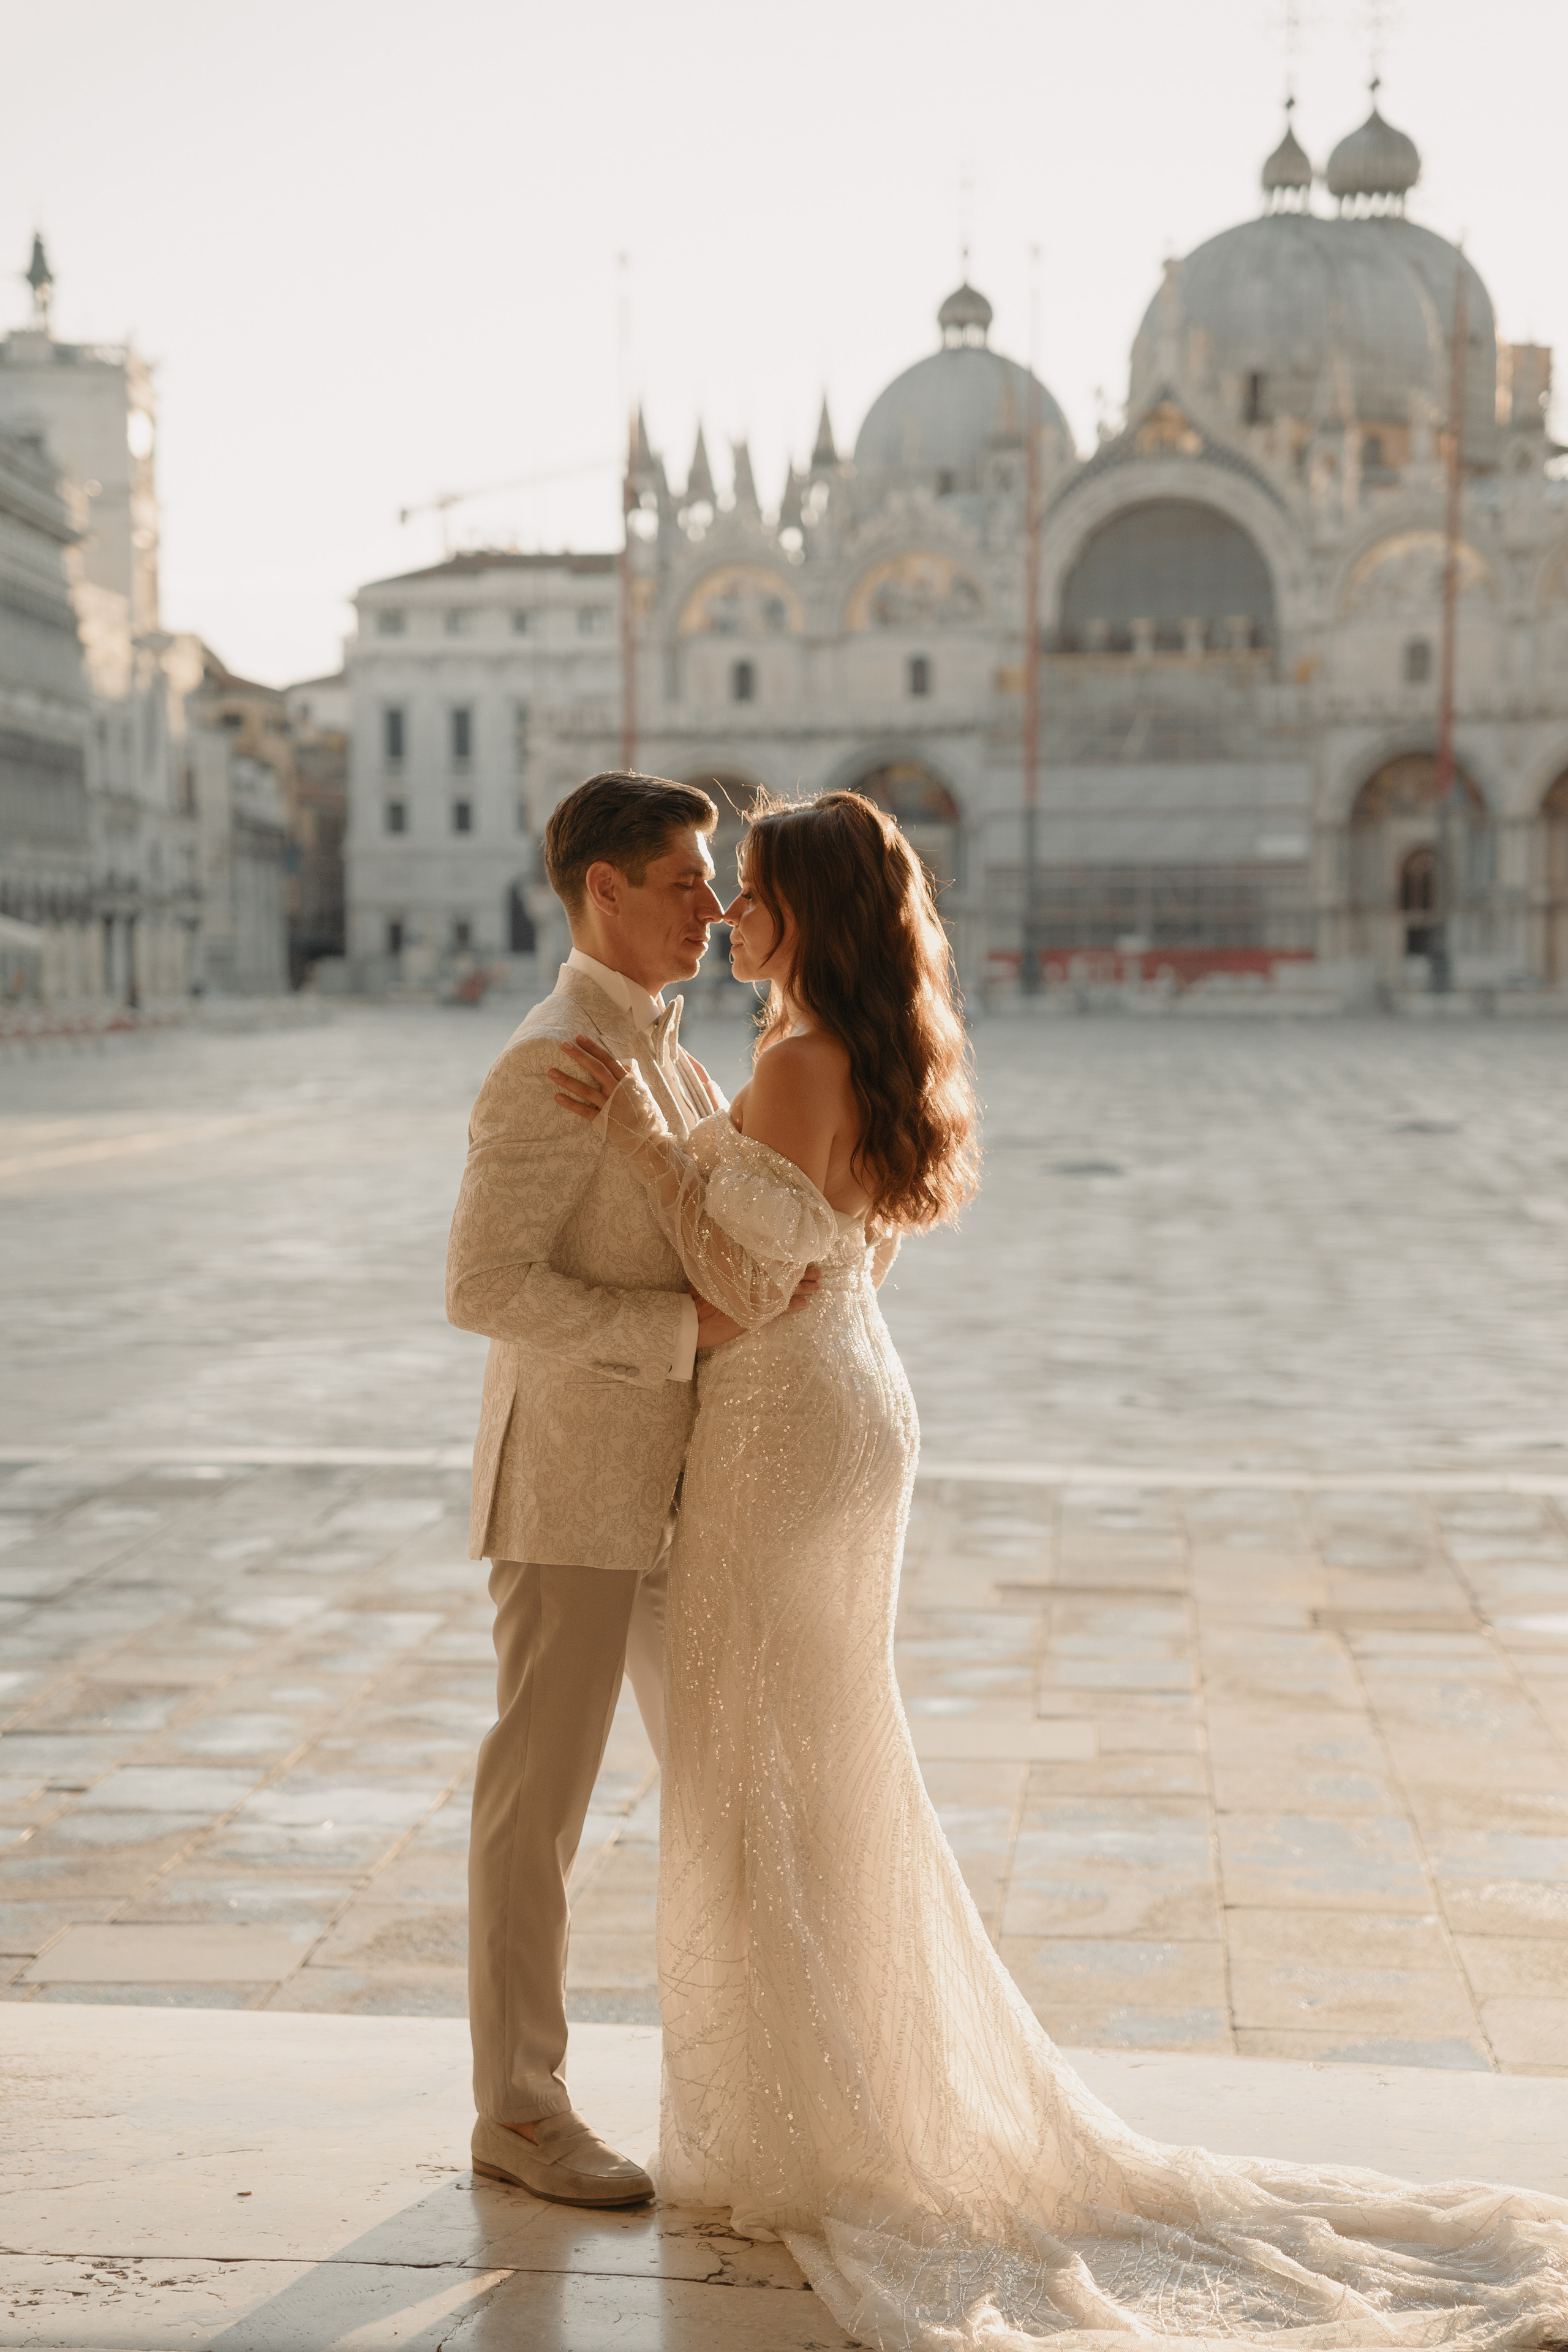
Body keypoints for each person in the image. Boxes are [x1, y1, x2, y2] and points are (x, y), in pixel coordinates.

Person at [551, 790, 1568, 2350]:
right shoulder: (870, 1054)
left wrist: (641, 1128)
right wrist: (698, 1147)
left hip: (780, 1432)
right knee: (819, 1761)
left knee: (762, 1770)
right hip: (851, 1413)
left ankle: (810, 2120)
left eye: (749, 895)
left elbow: (748, 1275)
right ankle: (831, 2090)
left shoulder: (798, 1058)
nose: (729, 918)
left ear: (805, 917)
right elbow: (830, 1243)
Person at [445, 770, 816, 2211]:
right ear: (604, 890)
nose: (714, 909)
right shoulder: (550, 1057)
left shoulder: (673, 1050)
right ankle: (519, 2111)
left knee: (726, 1781)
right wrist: (678, 1338)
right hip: (572, 1492)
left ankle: (755, 2084)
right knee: (535, 1803)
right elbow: (482, 1283)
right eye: (684, 884)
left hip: (684, 1491)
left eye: (717, 884)